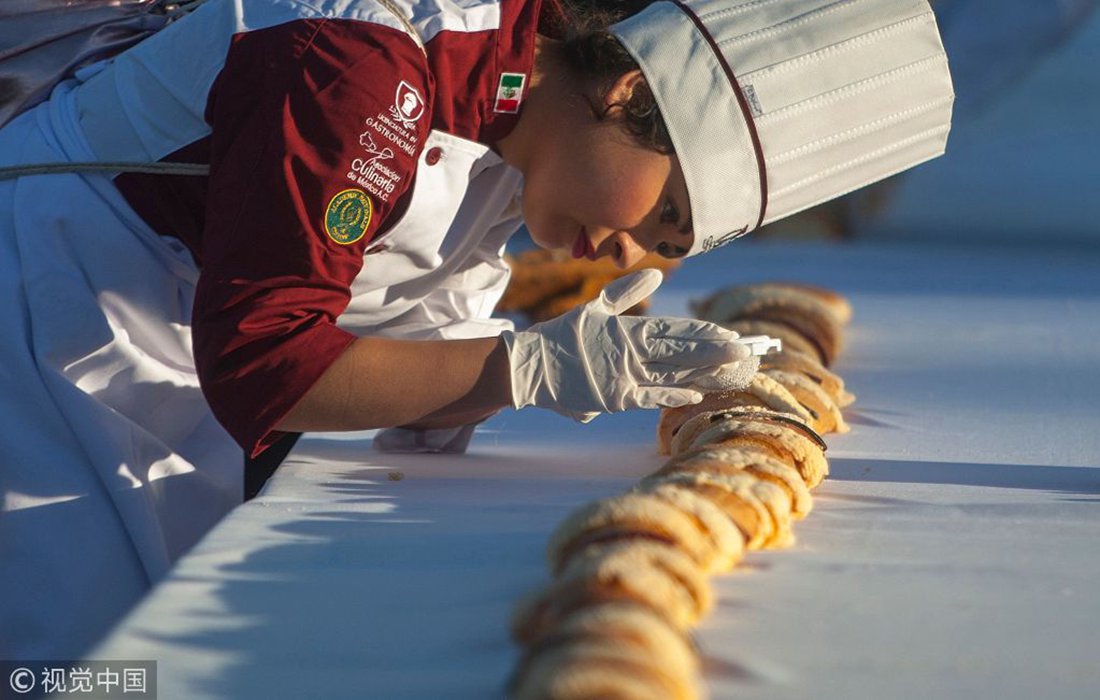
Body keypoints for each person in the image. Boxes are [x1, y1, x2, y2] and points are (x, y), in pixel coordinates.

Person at [0, 0, 953, 658]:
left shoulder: (516, 90)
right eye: (662, 224)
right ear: (626, 94)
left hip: (144, 321)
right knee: (81, 660)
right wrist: (527, 370)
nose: (634, 260)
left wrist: (515, 363)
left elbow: (394, 312)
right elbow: (266, 369)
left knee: (161, 650)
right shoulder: (365, 74)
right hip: (43, 294)